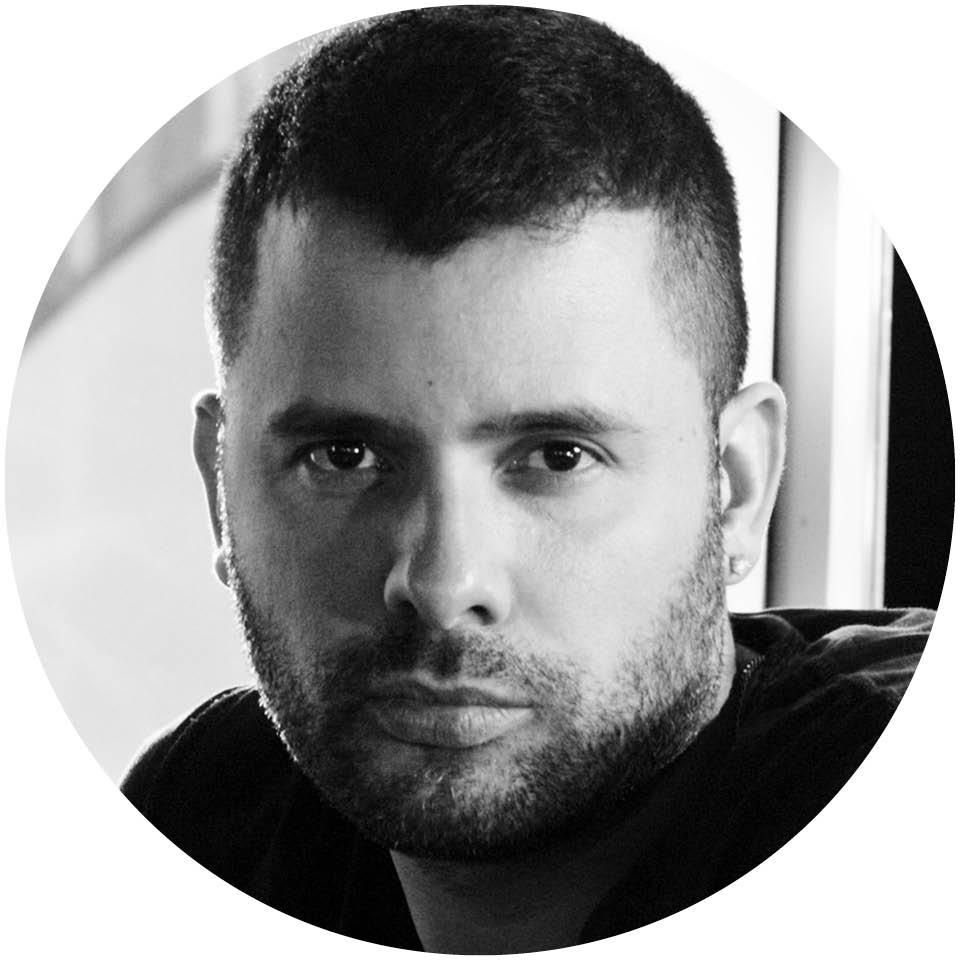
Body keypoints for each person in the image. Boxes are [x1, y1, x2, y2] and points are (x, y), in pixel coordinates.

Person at [120, 6, 930, 953]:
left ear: (736, 487)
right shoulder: (208, 816)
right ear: (220, 491)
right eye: (344, 457)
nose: (444, 583)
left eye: (557, 456)